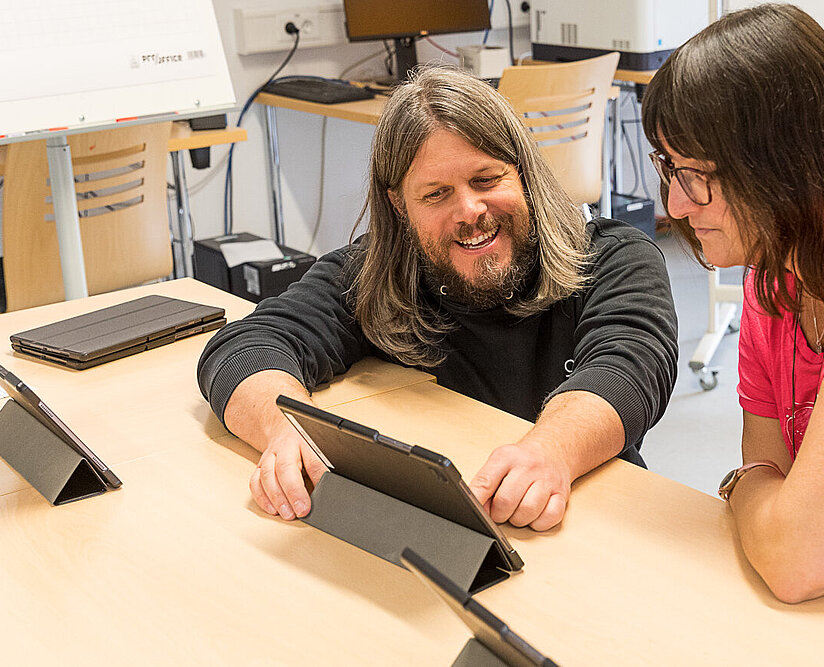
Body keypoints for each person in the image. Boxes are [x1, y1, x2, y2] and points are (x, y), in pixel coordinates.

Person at [199, 65, 677, 532]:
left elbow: (629, 370)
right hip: (441, 531)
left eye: (487, 180)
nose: (469, 211)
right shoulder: (374, 274)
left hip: (590, 523)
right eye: (436, 194)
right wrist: (287, 430)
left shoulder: (615, 258)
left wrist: (551, 449)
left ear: (524, 174)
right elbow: (246, 345)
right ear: (399, 204)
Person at [642, 3, 824, 603]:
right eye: (667, 169)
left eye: (694, 174)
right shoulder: (772, 286)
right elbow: (771, 476)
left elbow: (793, 558)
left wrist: (747, 488)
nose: (674, 205)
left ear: (783, 164)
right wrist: (766, 494)